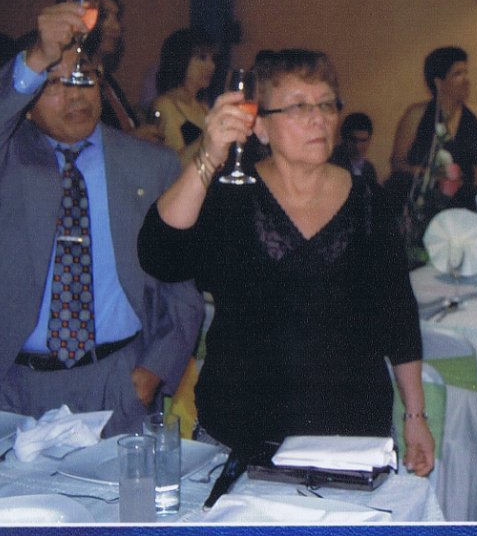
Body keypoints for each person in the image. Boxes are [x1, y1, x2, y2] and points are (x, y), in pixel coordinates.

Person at [137, 49, 435, 475]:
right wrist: (209, 155)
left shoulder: (368, 201)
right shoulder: (232, 197)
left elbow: (399, 316)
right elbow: (160, 255)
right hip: (239, 435)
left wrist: (415, 416)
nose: (319, 119)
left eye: (327, 105)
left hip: (350, 439)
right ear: (259, 125)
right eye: (298, 107)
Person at [0, 4, 204, 436]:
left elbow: (181, 291)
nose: (76, 95)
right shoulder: (10, 158)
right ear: (28, 104)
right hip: (15, 389)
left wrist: (152, 374)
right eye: (54, 83)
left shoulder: (152, 165)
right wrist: (34, 60)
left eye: (85, 78)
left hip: (117, 383)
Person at [387, 46, 477, 265]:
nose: (466, 80)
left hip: (464, 203)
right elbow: (397, 162)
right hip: (423, 203)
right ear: (439, 82)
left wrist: (469, 175)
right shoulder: (416, 114)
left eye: (466, 72)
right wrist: (431, 174)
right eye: (457, 74)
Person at [57, 0, 162, 144]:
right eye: (103, 16)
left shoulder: (107, 80)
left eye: (117, 16)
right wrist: (130, 141)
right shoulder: (64, 82)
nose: (116, 27)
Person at [151, 28, 217, 166]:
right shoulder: (165, 105)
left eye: (212, 59)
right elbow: (173, 164)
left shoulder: (203, 107)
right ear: (181, 60)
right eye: (202, 58)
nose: (211, 66)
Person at [330, 111, 379, 185]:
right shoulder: (331, 163)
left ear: (369, 140)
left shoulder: (369, 169)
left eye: (363, 140)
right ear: (344, 138)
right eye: (353, 140)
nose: (357, 146)